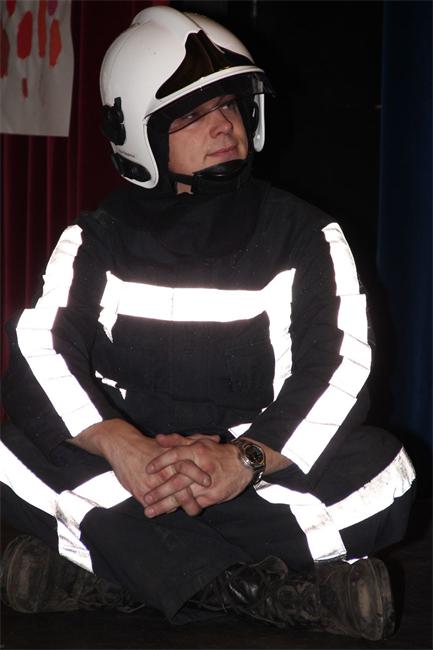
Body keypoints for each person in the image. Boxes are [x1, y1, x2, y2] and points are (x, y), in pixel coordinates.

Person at [1, 5, 416, 641]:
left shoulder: (307, 233)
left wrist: (241, 461)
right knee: (10, 451)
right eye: (191, 115)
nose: (223, 125)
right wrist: (123, 444)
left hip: (256, 472)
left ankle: (124, 575)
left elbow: (342, 368)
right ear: (138, 135)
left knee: (387, 471)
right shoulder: (95, 238)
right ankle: (262, 590)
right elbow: (39, 352)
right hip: (131, 472)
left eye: (229, 105)